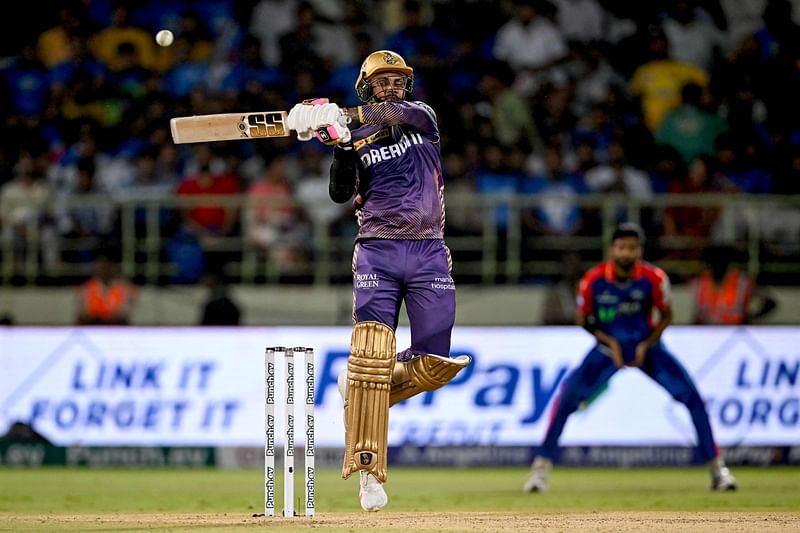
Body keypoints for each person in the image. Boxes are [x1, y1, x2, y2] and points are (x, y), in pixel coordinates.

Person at [286, 49, 472, 512]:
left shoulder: (421, 117)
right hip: (377, 251)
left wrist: (332, 113)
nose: (391, 86)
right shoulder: (355, 135)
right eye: (381, 81)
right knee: (372, 351)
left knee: (434, 364)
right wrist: (342, 144)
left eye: (397, 80)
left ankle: (361, 386)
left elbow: (393, 112)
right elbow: (339, 193)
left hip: (430, 250)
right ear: (366, 84)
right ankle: (369, 476)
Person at [523, 223, 737, 493]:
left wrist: (647, 344)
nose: (626, 253)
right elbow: (583, 320)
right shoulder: (594, 280)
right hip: (605, 351)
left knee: (693, 399)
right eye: (621, 247)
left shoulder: (654, 278)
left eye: (632, 248)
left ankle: (718, 470)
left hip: (647, 349)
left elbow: (666, 315)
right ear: (613, 250)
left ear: (640, 251)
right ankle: (540, 470)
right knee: (566, 401)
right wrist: (610, 342)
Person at [692, 244, 777, 325]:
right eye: (714, 262)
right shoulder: (700, 281)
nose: (717, 265)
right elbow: (698, 313)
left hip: (734, 330)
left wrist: (751, 318)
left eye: (721, 262)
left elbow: (770, 302)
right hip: (707, 332)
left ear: (728, 263)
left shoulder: (742, 282)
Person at [76, 248, 138, 325]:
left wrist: (100, 317)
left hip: (118, 332)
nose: (104, 268)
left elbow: (124, 316)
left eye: (107, 264)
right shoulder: (85, 289)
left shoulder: (126, 289)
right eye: (101, 264)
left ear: (113, 266)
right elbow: (82, 316)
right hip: (93, 330)